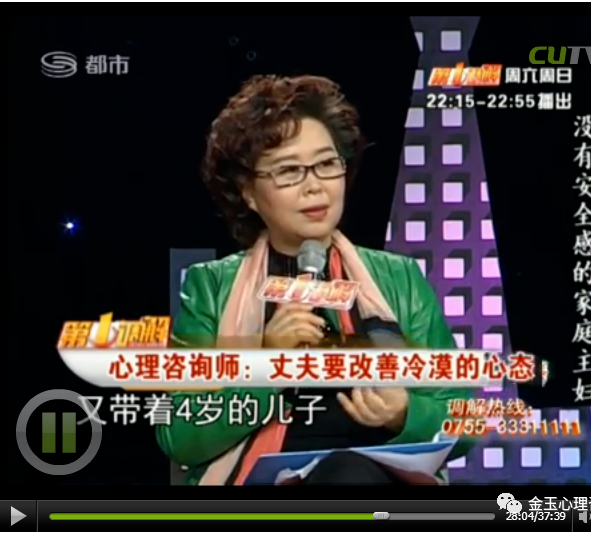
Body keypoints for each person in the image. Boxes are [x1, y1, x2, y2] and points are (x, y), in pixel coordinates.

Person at [156, 74, 475, 485]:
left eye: (326, 164)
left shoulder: (400, 279)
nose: (314, 187)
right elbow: (179, 436)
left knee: (348, 474)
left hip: (378, 484)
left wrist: (405, 413)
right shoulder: (211, 287)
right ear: (248, 192)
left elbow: (466, 423)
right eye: (289, 171)